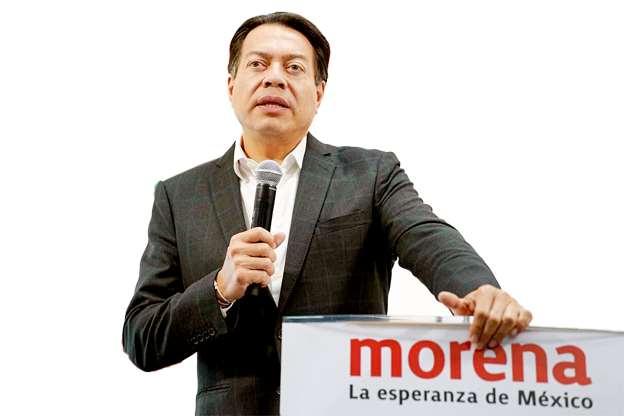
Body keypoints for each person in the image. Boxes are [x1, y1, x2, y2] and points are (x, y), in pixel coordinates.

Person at [122, 11, 532, 415]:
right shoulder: (179, 196)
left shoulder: (370, 174)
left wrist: (479, 289)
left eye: (294, 67)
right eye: (258, 64)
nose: (274, 78)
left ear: (318, 93)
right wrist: (219, 289)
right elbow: (142, 337)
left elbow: (426, 234)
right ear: (231, 85)